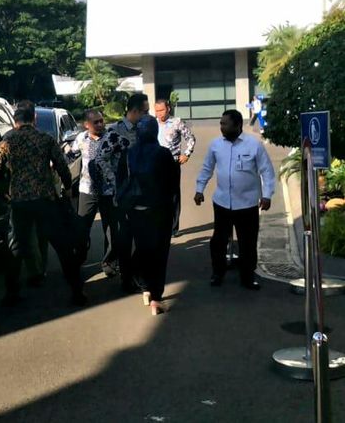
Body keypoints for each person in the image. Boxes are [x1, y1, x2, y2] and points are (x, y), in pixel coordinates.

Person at [0, 103, 86, 306]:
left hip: (20, 202)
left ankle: (11, 293)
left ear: (15, 121)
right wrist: (66, 188)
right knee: (63, 246)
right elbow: (62, 167)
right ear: (34, 119)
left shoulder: (8, 141)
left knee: (15, 248)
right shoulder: (45, 139)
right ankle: (77, 292)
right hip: (45, 199)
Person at [194, 109, 275, 290]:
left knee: (247, 242)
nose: (221, 127)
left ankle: (247, 276)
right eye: (221, 123)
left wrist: (267, 195)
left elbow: (267, 172)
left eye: (225, 124)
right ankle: (218, 273)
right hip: (222, 202)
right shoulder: (216, 145)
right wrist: (200, 189)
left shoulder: (254, 145)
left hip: (246, 204)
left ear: (237, 125)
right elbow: (207, 168)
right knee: (219, 241)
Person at [117, 115, 179, 315]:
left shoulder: (128, 154)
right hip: (159, 210)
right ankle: (156, 298)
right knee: (159, 254)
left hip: (135, 210)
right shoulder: (163, 154)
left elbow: (120, 182)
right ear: (155, 132)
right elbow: (172, 184)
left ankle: (144, 288)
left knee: (142, 250)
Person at [91, 93, 149, 291]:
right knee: (124, 239)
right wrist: (115, 182)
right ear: (134, 111)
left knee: (145, 236)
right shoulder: (115, 132)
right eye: (145, 112)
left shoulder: (143, 130)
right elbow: (99, 159)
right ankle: (127, 279)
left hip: (141, 192)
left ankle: (136, 272)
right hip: (122, 196)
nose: (147, 116)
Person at [154, 99, 196, 236]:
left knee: (173, 195)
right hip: (155, 164)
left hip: (172, 163)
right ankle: (160, 224)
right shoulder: (152, 123)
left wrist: (187, 154)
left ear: (168, 109)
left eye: (162, 110)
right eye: (157, 110)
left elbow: (191, 138)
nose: (159, 113)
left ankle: (173, 227)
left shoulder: (177, 122)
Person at [69, 110, 105, 262]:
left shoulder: (112, 137)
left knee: (111, 229)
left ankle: (110, 262)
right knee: (82, 227)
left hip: (108, 190)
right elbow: (71, 154)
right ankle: (80, 256)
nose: (100, 124)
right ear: (86, 125)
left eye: (101, 121)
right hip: (87, 189)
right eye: (95, 122)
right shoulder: (81, 138)